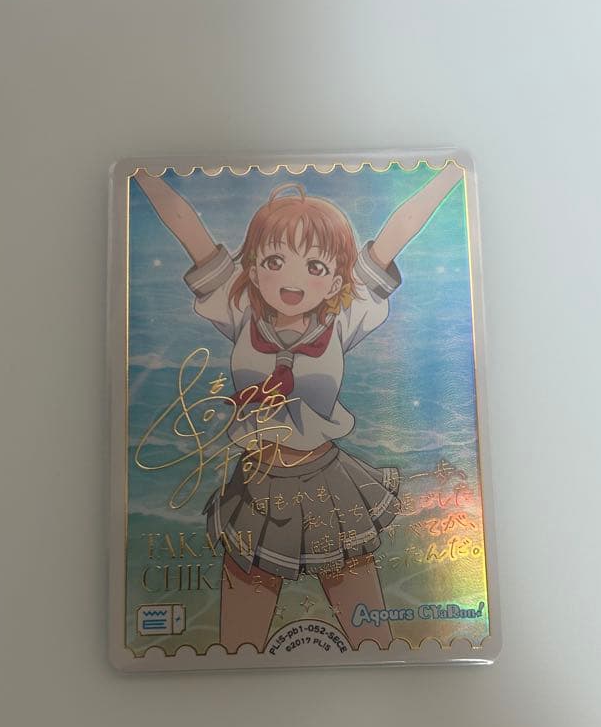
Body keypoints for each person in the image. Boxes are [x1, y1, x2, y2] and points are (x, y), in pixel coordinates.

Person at [134, 163, 463, 651]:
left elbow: (399, 230)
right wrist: (142, 175)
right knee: (237, 646)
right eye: (274, 261)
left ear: (335, 281)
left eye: (315, 267)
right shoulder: (240, 310)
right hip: (256, 483)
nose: (292, 279)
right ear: (252, 270)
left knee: (373, 638)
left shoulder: (345, 317)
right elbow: (188, 227)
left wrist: (451, 173)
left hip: (328, 482)